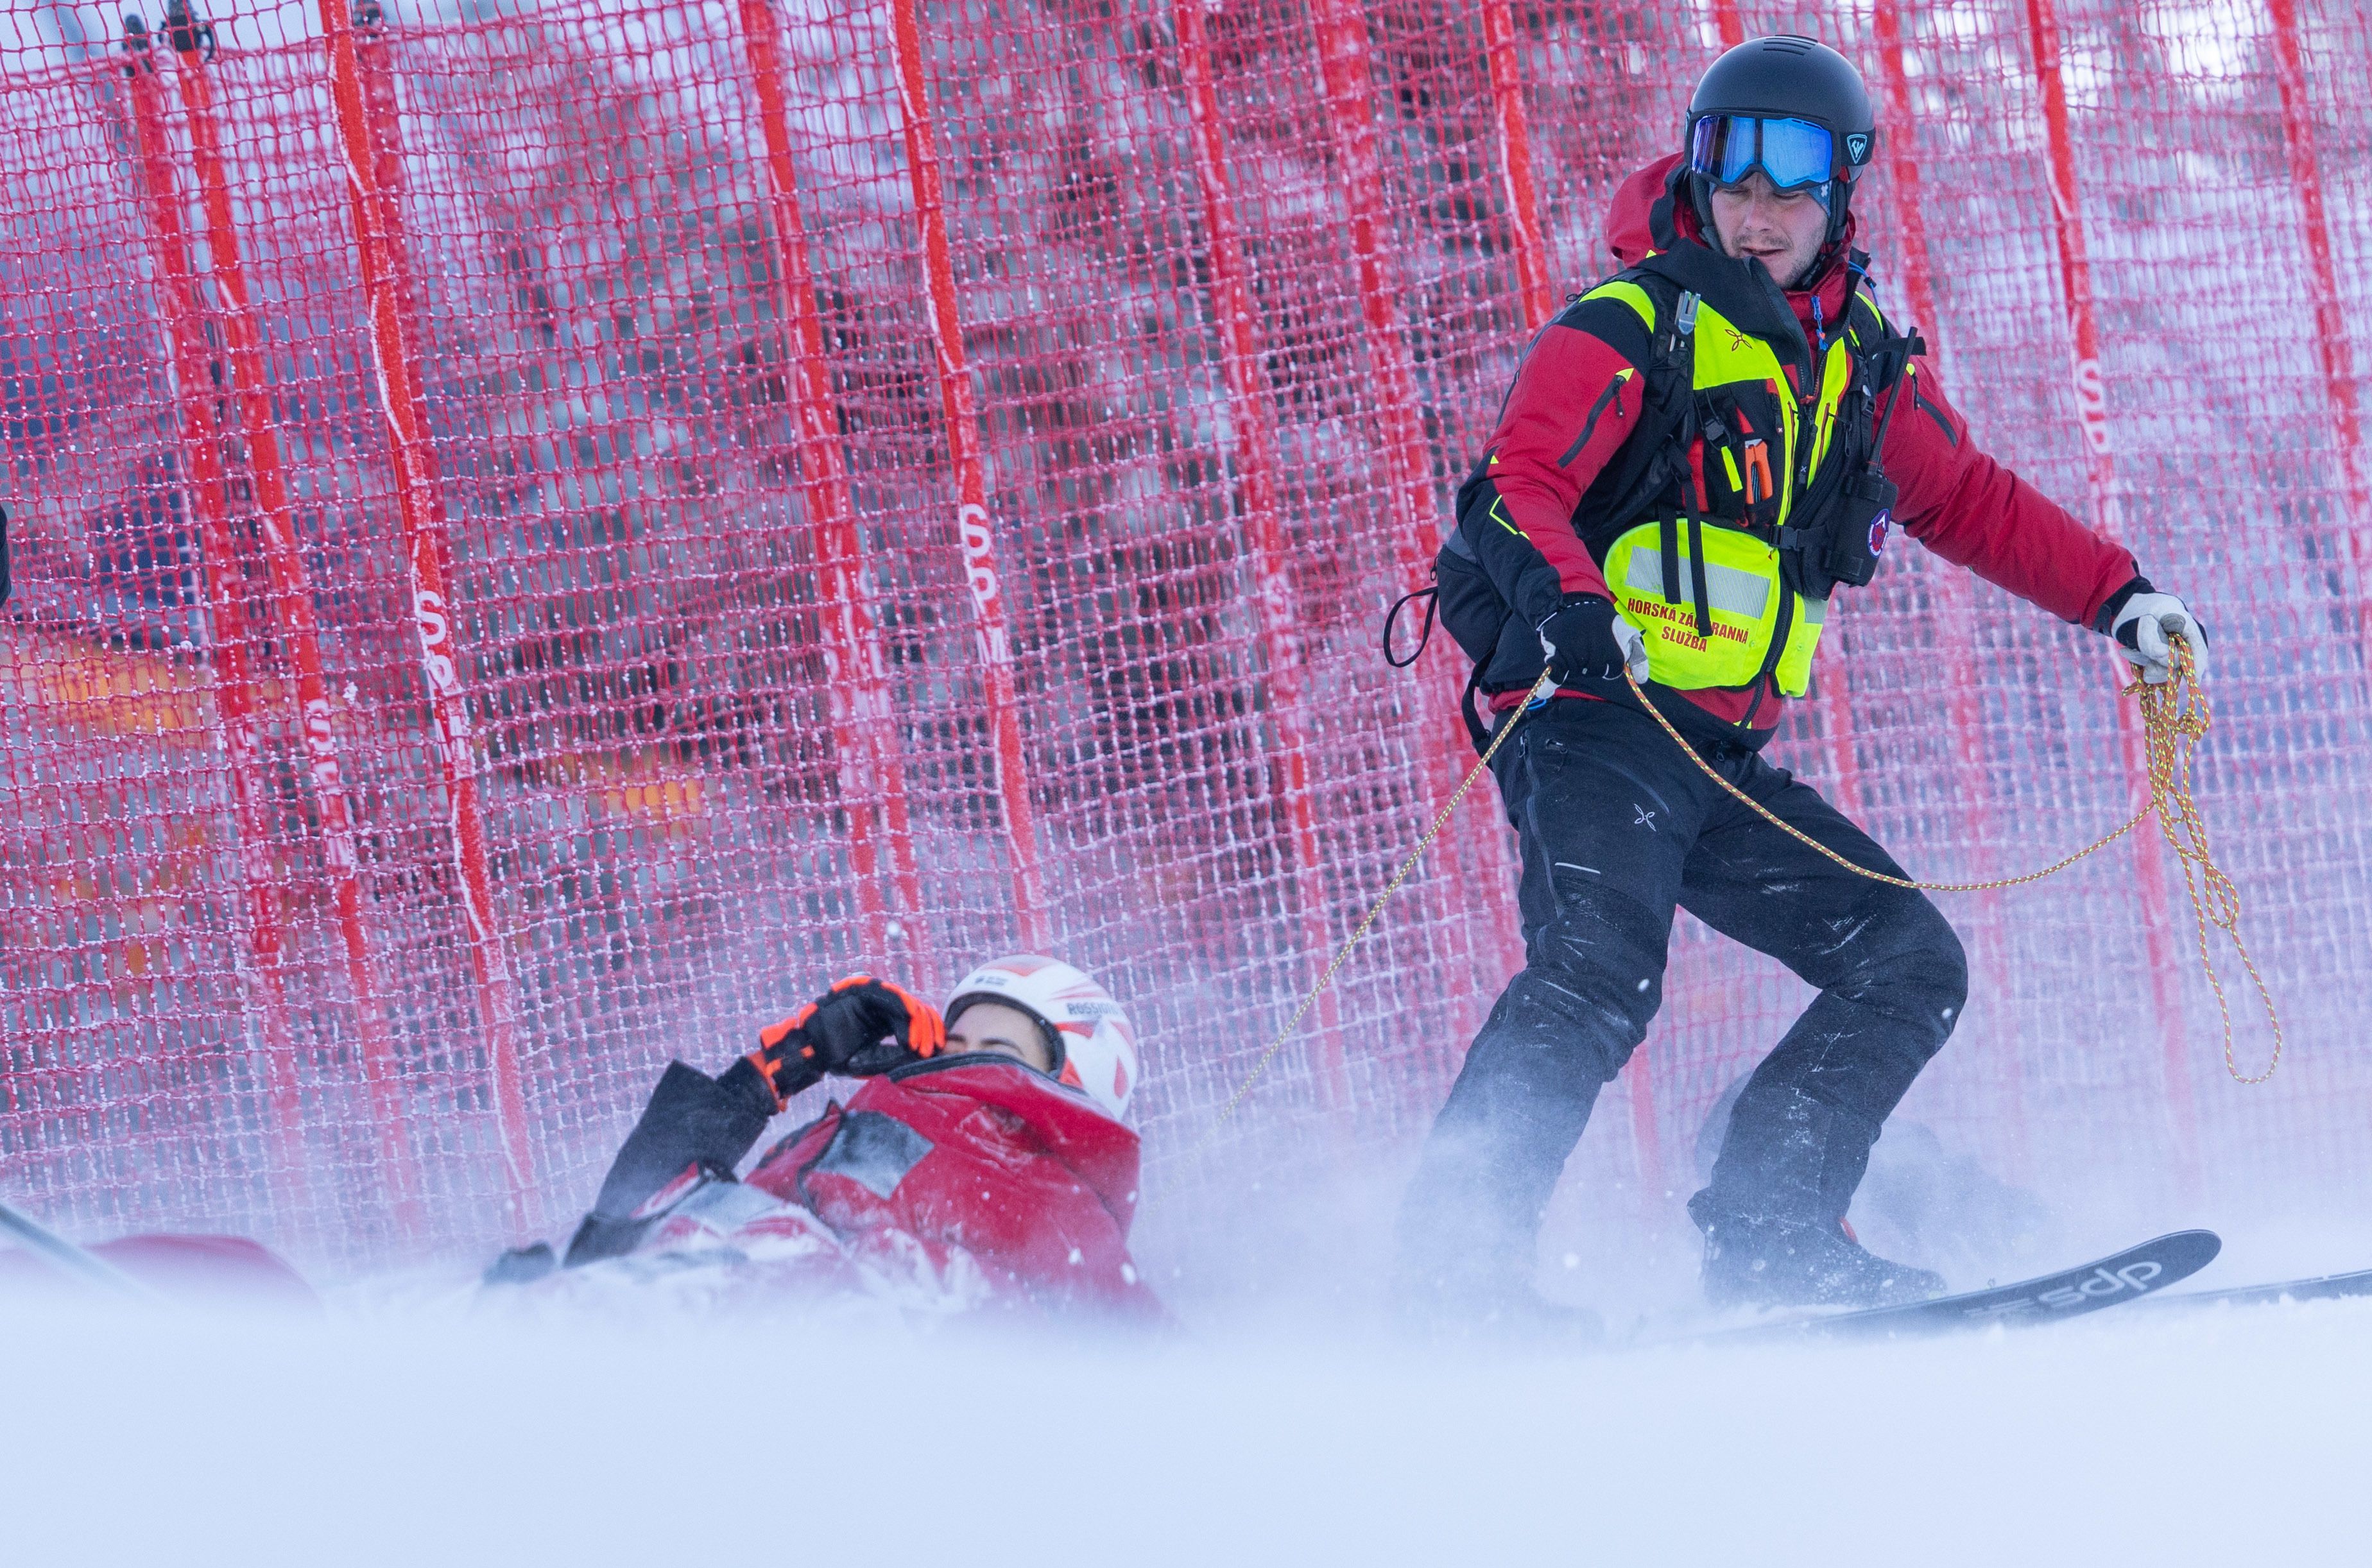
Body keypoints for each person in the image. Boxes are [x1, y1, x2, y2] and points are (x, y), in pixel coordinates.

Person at [1398, 35, 2208, 1317]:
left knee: (1904, 959)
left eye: (1793, 181)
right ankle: (1449, 1271)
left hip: (1716, 758)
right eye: (1734, 173)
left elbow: (1972, 500)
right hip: (1594, 724)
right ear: (1700, 175)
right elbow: (1514, 488)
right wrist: (1574, 605)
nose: (1759, 208)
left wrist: (2123, 597)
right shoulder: (1631, 328)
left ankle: (1768, 1230)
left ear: (1843, 197)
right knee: (1599, 970)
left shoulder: (1856, 363)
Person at [494, 955, 1160, 1320]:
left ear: (1077, 1079)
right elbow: (628, 1218)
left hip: (860, 1331)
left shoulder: (1049, 1189)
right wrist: (781, 1068)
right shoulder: (869, 1120)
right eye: (953, 1043)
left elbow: (1134, 1345)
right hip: (700, 1296)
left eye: (996, 1049)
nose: (961, 1061)